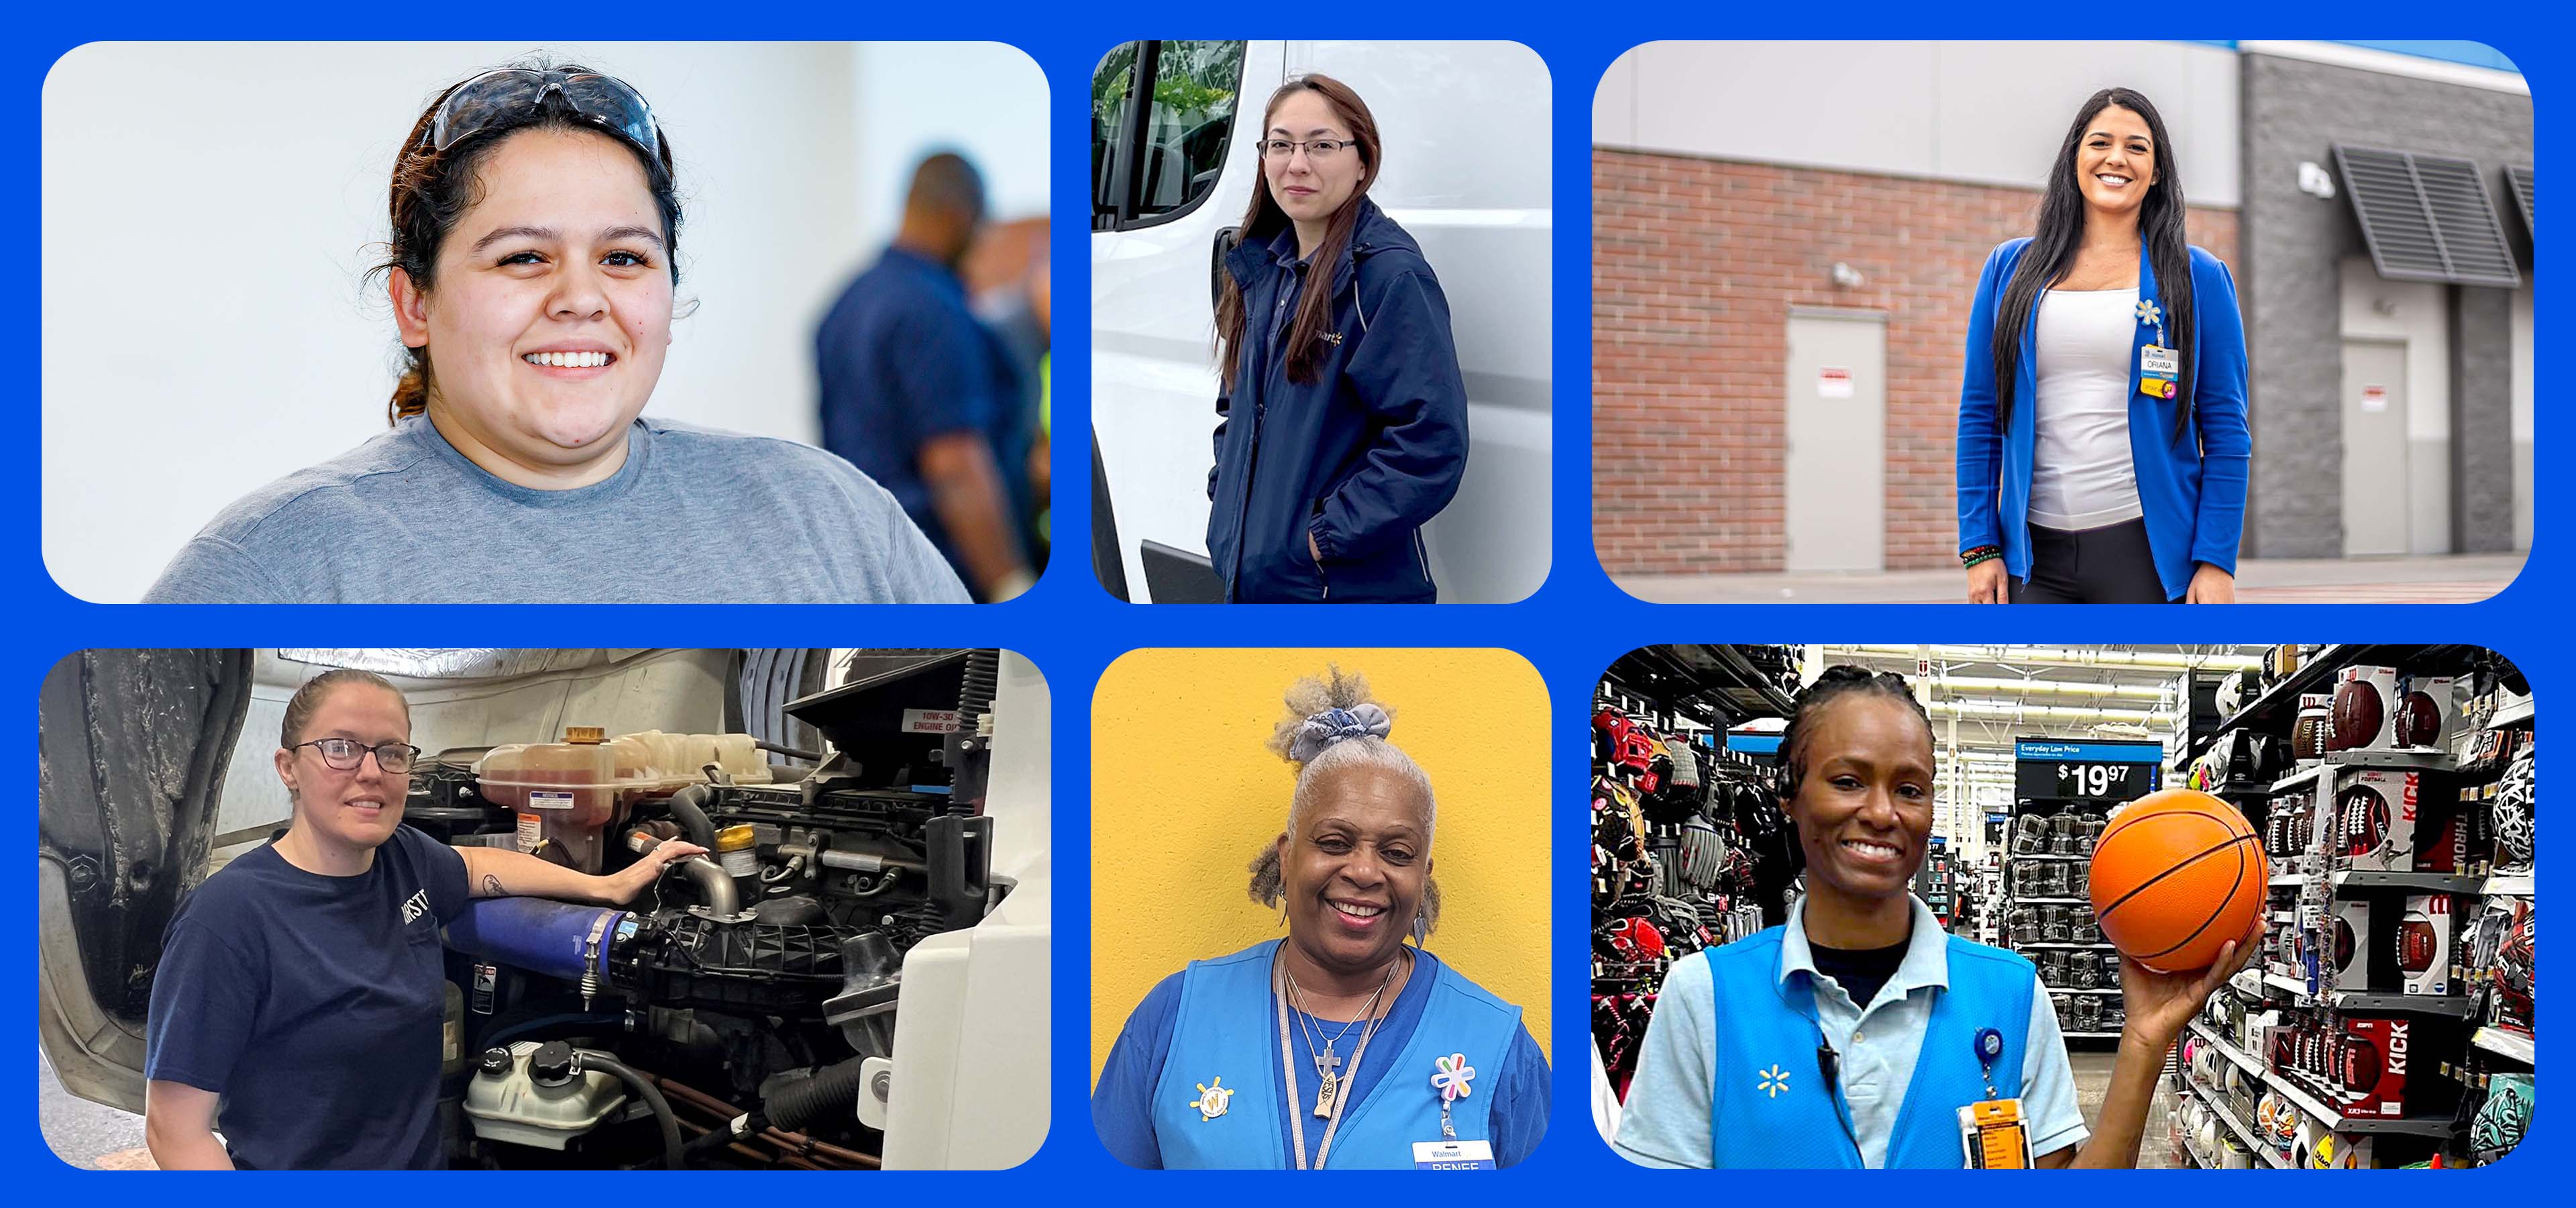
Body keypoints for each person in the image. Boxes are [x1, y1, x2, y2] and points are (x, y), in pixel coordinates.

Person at [143, 60, 968, 604]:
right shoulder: (271, 569)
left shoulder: (829, 515)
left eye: (622, 256)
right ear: (415, 305)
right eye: (524, 257)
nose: (582, 297)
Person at [1611, 667, 2259, 1168]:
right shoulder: (1705, 995)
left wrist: (2145, 1043)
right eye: (1846, 781)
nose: (1882, 812)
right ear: (1789, 796)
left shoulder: (2009, 991)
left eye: (1910, 788)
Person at [140, 668, 710, 1169]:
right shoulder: (228, 919)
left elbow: (471, 866)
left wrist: (604, 888)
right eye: (341, 747)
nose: (370, 772)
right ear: (288, 767)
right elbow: (176, 1131)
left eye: (391, 751)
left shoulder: (403, 859)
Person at [1093, 668, 1547, 1168]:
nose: (1365, 871)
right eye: (1335, 843)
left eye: (1397, 853)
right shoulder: (1172, 1019)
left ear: (1423, 876)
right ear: (1287, 857)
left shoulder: (1501, 1050)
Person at [1956, 87, 2251, 605]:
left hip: (2149, 556)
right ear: (2075, 157)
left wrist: (2216, 560)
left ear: (2157, 172)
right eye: (2100, 143)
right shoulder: (2009, 269)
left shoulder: (2197, 277)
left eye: (2138, 148)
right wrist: (1980, 547)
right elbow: (1980, 417)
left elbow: (2227, 431)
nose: (2117, 158)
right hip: (2032, 561)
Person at [1207, 75, 1468, 604]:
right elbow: (1238, 413)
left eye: (1322, 145)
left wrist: (1317, 540)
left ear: (1363, 163)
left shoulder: (1387, 279)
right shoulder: (1265, 269)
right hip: (1258, 588)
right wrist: (1230, 505)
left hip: (1339, 596)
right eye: (1280, 144)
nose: (1296, 164)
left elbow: (1431, 442)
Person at [817, 154, 1036, 601]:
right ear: (959, 214)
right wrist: (1009, 583)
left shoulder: (844, 305)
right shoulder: (933, 310)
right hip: (946, 576)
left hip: (872, 570)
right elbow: (955, 465)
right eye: (980, 222)